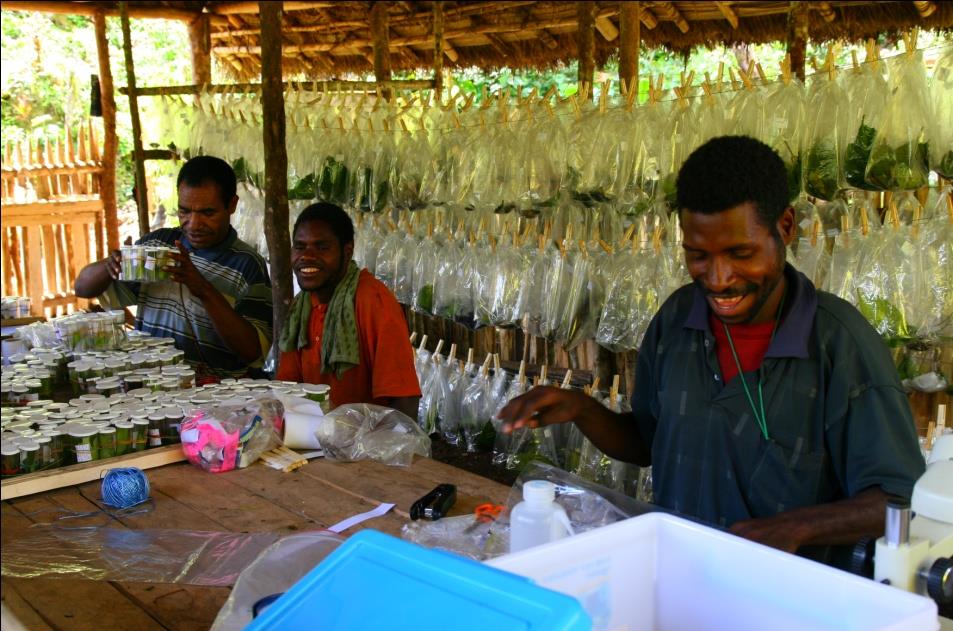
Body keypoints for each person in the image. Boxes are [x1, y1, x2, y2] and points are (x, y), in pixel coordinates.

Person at [498, 136, 925, 567]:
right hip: (678, 581)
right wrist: (581, 410)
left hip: (788, 605)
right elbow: (649, 442)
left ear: (786, 228)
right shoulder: (676, 321)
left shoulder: (841, 346)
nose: (719, 279)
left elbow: (897, 496)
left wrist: (796, 527)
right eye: (698, 255)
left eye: (740, 253)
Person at [75, 155, 273, 379]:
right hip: (152, 387)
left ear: (232, 205)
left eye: (208, 213)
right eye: (185, 211)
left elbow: (253, 351)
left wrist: (202, 288)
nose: (194, 223)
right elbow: (83, 288)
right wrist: (111, 264)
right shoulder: (158, 245)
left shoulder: (247, 264)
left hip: (215, 396)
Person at [276, 202, 420, 419]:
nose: (307, 256)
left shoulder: (374, 301)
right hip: (312, 439)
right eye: (300, 246)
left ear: (347, 251)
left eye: (322, 247)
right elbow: (288, 388)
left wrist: (386, 449)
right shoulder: (302, 307)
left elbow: (404, 398)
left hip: (365, 445)